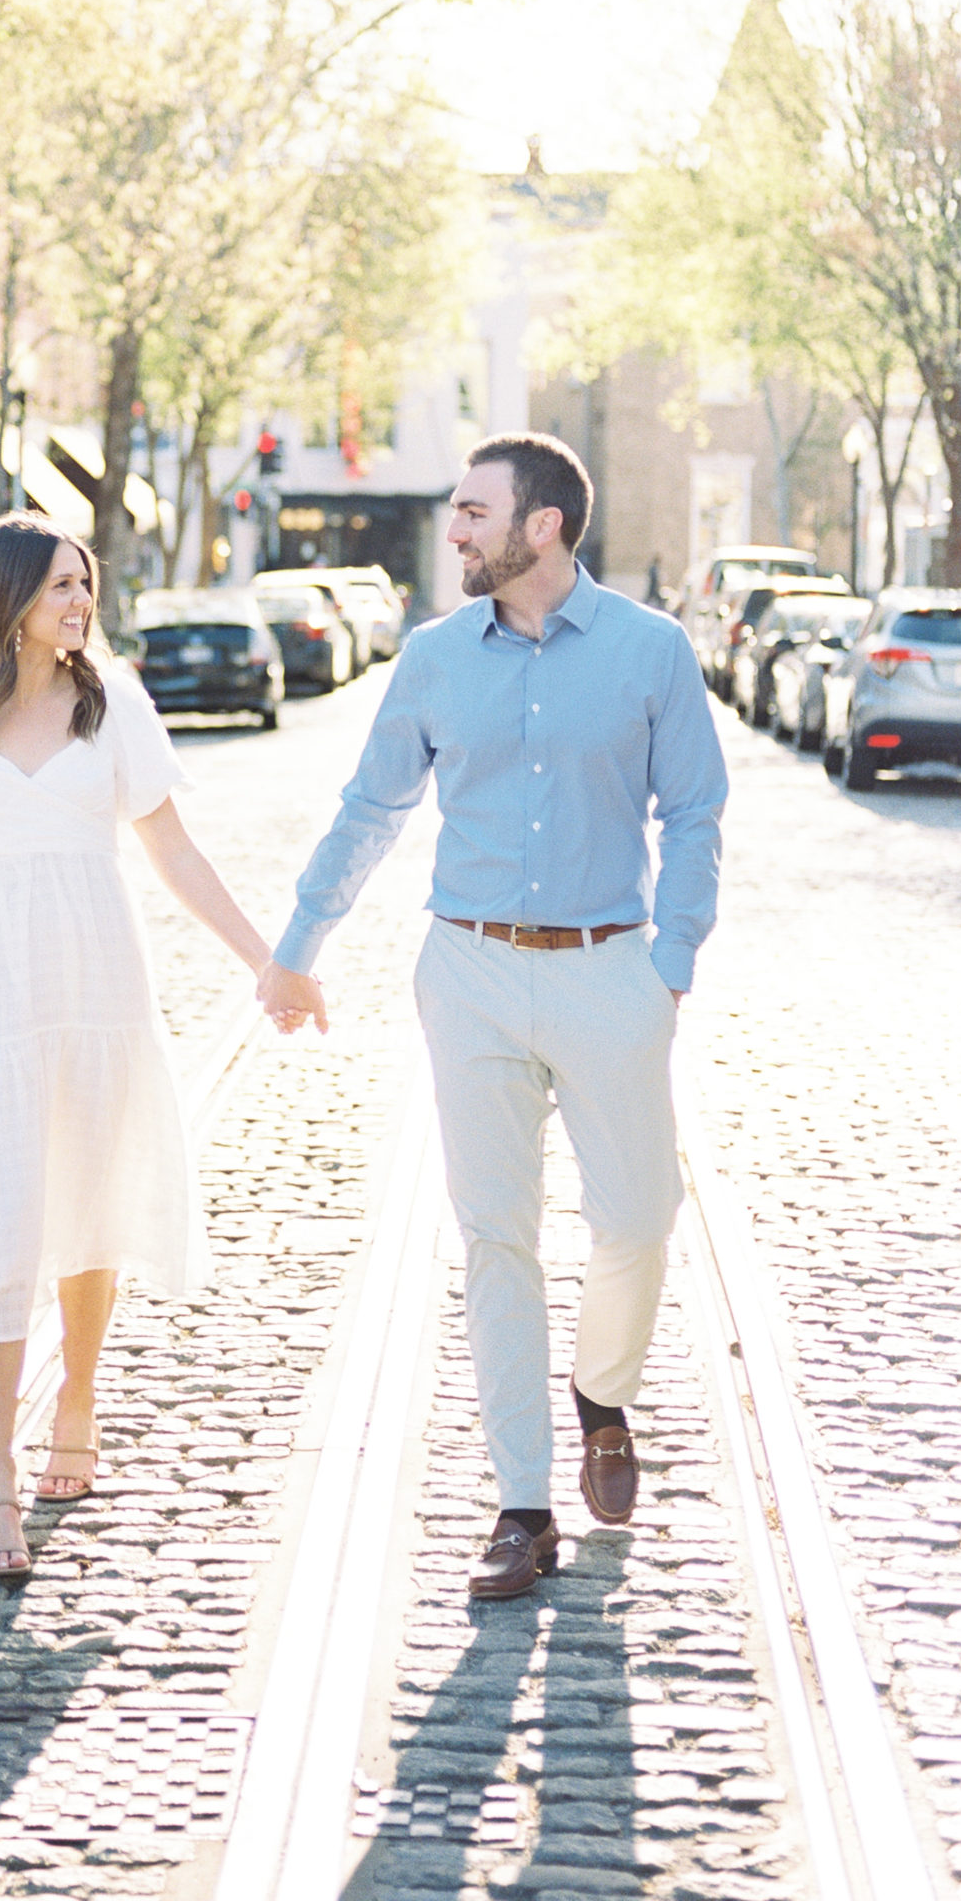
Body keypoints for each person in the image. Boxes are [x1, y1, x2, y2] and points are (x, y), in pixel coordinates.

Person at [258, 433, 727, 1600]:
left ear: (544, 525)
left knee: (638, 1220)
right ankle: (524, 1501)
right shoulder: (430, 659)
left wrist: (667, 963)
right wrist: (297, 946)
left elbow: (699, 813)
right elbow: (370, 807)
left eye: (474, 512)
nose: (455, 530)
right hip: (466, 972)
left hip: (607, 967)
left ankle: (602, 1395)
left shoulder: (651, 652)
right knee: (495, 1239)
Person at [0, 513, 281, 1583]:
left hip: (99, 977)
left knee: (90, 1210)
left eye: (84, 584)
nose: (78, 602)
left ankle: (82, 1392)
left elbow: (174, 850)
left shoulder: (114, 701)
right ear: (6, 592)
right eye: (60, 584)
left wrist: (263, 957)